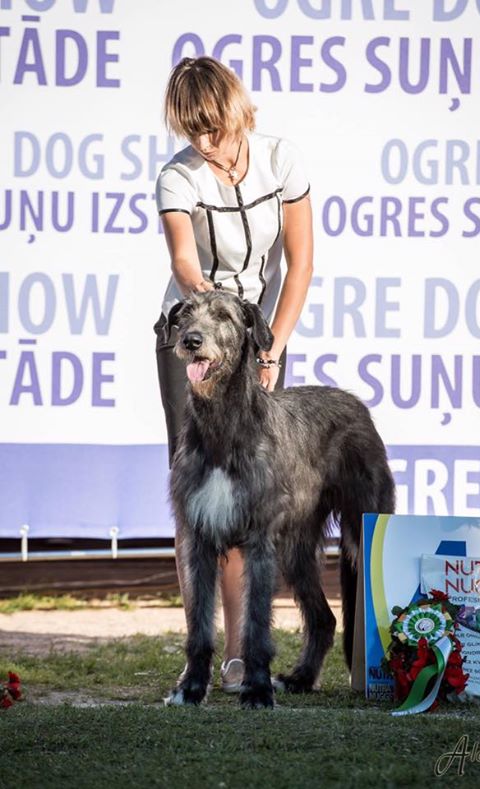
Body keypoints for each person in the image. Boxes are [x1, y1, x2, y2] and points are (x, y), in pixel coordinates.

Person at [154, 56, 313, 692]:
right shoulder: (178, 176)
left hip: (258, 342)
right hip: (200, 336)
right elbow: (186, 264)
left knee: (254, 494)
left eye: (211, 127)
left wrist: (269, 348)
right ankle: (208, 659)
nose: (202, 142)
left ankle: (248, 654)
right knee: (199, 501)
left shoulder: (282, 159)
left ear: (235, 111)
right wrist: (214, 325)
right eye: (190, 130)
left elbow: (298, 265)